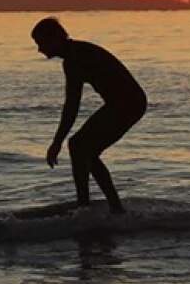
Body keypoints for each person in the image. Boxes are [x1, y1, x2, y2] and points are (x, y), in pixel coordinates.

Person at [31, 17, 147, 214]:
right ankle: (103, 207)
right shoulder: (74, 54)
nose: (40, 50)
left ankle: (91, 207)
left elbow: (72, 106)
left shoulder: (76, 58)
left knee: (79, 146)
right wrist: (58, 141)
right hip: (122, 104)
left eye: (41, 43)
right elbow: (72, 105)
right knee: (82, 148)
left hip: (129, 104)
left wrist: (56, 142)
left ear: (55, 39)